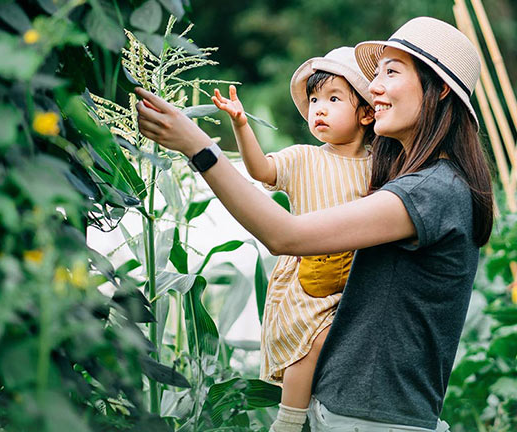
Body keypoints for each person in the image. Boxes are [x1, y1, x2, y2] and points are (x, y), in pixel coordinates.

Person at [134, 16, 493, 432]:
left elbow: (286, 235)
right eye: (375, 75)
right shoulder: (418, 182)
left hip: (371, 422)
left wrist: (200, 147)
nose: (373, 87)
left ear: (441, 88)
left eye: (391, 73)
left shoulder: (432, 190)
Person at [211, 47, 375, 432]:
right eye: (314, 99)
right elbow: (261, 170)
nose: (318, 108)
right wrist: (240, 125)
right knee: (311, 342)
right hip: (308, 280)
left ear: (367, 113)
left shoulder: (377, 166)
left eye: (334, 99)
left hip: (356, 279)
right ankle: (288, 421)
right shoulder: (303, 158)